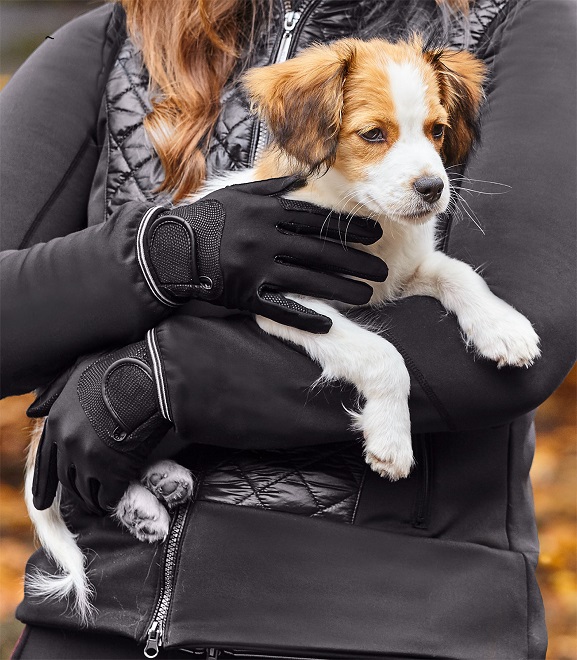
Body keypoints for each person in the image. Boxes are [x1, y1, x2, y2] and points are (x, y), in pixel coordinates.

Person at [2, 0, 575, 657]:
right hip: (99, 618)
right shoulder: (120, 35)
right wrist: (162, 256)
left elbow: (516, 342)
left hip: (384, 619)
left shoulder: (511, 23)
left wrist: (168, 377)